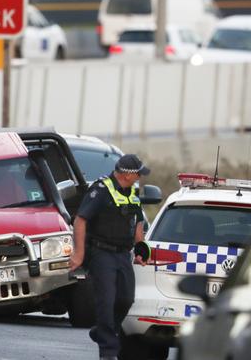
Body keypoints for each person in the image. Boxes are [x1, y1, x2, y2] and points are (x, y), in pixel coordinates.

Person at [69, 154, 150, 360]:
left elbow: (138, 220)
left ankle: (101, 331)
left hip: (123, 255)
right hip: (101, 253)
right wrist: (79, 254)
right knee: (106, 301)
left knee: (125, 299)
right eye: (138, 173)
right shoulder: (101, 190)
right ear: (127, 174)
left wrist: (141, 248)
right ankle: (108, 352)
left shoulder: (133, 191)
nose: (140, 176)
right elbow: (80, 220)